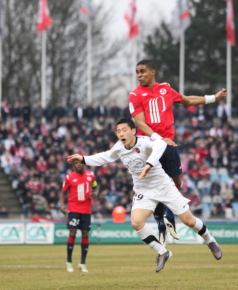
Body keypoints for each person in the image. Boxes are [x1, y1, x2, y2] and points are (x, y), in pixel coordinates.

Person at [67, 118, 222, 272]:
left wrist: (149, 165)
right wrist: (83, 158)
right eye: (118, 130)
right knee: (136, 222)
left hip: (163, 186)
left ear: (133, 131)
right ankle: (163, 252)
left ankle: (211, 241)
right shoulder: (119, 147)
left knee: (189, 221)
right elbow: (105, 156)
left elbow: (161, 144)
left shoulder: (144, 141)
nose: (121, 133)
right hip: (143, 190)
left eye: (124, 129)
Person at [128, 59, 227, 246]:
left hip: (169, 144)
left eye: (142, 71)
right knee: (155, 185)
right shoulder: (135, 95)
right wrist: (158, 138)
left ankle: (170, 216)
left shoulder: (165, 89)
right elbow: (140, 123)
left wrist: (213, 98)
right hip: (149, 146)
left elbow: (188, 100)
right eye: (137, 72)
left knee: (176, 181)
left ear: (152, 72)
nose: (139, 75)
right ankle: (161, 224)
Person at [59, 161, 98, 273]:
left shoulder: (91, 175)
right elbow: (63, 193)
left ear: (84, 165)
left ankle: (83, 263)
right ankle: (69, 262)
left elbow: (96, 187)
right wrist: (62, 206)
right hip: (74, 209)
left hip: (86, 210)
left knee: (85, 233)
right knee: (73, 233)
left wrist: (96, 193)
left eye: (81, 163)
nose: (79, 165)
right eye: (76, 163)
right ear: (73, 166)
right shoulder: (68, 178)